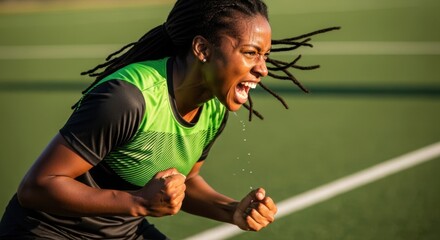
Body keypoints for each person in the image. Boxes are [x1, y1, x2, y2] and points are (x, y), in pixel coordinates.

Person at [0, 0, 339, 239]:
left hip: (122, 232)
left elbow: (185, 183)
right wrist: (137, 203)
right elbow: (37, 187)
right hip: (48, 232)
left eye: (265, 55)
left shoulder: (215, 104)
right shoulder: (127, 98)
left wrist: (231, 210)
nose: (262, 68)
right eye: (250, 52)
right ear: (202, 49)